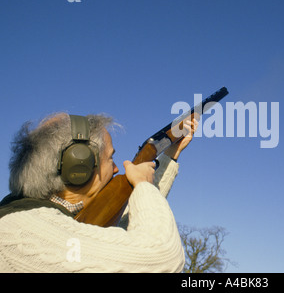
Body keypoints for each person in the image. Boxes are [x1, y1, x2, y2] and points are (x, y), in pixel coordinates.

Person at [0, 112, 197, 272]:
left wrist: (170, 156)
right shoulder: (22, 230)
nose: (116, 169)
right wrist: (143, 185)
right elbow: (163, 257)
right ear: (79, 166)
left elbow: (125, 226)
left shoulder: (39, 219)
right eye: (110, 158)